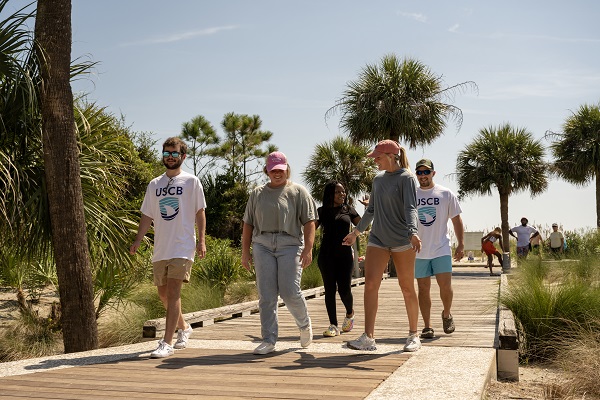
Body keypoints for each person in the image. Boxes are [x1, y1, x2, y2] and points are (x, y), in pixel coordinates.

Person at [342, 139, 422, 352]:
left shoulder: (407, 178)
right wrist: (356, 233)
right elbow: (371, 210)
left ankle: (414, 335)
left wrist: (413, 233)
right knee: (370, 285)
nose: (374, 161)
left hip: (402, 241)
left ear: (390, 156)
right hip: (378, 239)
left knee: (406, 287)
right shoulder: (378, 180)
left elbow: (411, 209)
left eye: (377, 157)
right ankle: (368, 337)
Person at [130, 137, 207, 358]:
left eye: (174, 154)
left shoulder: (192, 182)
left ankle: (166, 343)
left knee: (173, 293)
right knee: (163, 294)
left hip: (182, 246)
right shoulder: (154, 184)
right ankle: (185, 328)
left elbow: (200, 212)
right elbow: (147, 214)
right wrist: (138, 239)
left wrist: (201, 241)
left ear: (183, 157)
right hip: (161, 248)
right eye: (167, 154)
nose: (170, 157)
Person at [241, 151, 317, 355]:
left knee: (290, 291)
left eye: (281, 170)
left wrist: (308, 249)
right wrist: (244, 252)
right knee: (266, 295)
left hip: (289, 244)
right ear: (267, 170)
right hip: (262, 244)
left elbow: (310, 223)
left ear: (287, 169)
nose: (277, 173)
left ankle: (304, 324)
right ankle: (268, 339)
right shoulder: (257, 193)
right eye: (273, 170)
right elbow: (248, 224)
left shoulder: (298, 192)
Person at [414, 159, 464, 340]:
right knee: (423, 287)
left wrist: (461, 244)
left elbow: (456, 219)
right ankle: (427, 326)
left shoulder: (445, 194)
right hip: (419, 250)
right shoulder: (412, 194)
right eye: (419, 173)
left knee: (445, 286)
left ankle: (447, 314)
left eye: (426, 172)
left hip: (441, 247)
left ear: (433, 173)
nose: (422, 176)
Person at [316, 181, 361, 337]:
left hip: (344, 256)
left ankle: (350, 313)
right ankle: (333, 325)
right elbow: (309, 229)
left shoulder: (348, 209)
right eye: (338, 192)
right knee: (329, 290)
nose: (343, 194)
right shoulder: (321, 211)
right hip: (326, 256)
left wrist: (354, 235)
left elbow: (363, 226)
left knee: (344, 290)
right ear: (330, 194)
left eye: (343, 192)